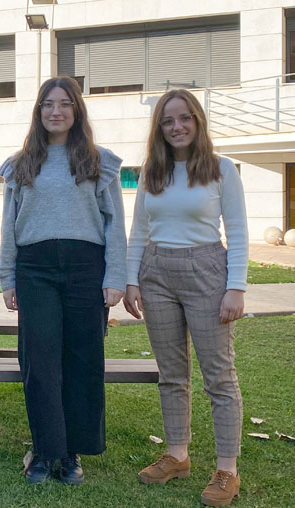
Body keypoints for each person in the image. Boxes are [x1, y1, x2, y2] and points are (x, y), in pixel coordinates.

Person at [0, 76, 126, 485]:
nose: (57, 111)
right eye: (48, 104)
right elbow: (8, 227)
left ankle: (71, 452)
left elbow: (114, 226)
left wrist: (115, 277)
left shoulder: (98, 161)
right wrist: (7, 276)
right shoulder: (20, 165)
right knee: (40, 361)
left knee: (82, 360)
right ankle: (43, 449)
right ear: (38, 112)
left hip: (86, 268)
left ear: (77, 111)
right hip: (35, 269)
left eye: (65, 104)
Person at [124, 89, 247, 507]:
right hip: (156, 273)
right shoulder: (152, 172)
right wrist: (131, 280)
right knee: (171, 373)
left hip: (207, 271)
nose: (177, 127)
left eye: (184, 118)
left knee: (219, 376)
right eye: (168, 121)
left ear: (198, 121)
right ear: (159, 128)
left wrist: (236, 286)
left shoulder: (220, 169)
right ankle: (177, 454)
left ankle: (226, 468)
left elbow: (238, 231)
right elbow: (139, 230)